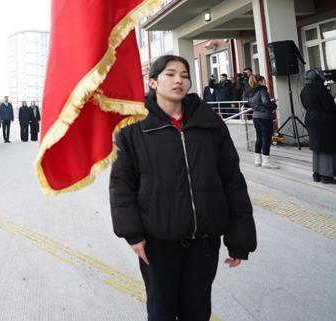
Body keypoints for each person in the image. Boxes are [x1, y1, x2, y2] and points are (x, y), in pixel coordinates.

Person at [110, 55, 256, 321]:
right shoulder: (132, 127)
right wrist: (132, 233)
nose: (179, 80)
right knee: (161, 311)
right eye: (170, 74)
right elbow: (122, 184)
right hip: (158, 242)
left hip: (204, 242)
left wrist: (239, 239)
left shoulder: (210, 123)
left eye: (185, 75)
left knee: (197, 311)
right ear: (153, 82)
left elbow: (232, 180)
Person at [300, 70, 336, 184]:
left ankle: (317, 173)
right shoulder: (320, 90)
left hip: (310, 119)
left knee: (316, 147)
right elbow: (330, 106)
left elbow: (305, 105)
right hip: (324, 120)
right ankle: (327, 175)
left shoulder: (304, 90)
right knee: (326, 146)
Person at [243, 75, 278, 169]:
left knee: (259, 137)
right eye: (264, 80)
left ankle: (257, 160)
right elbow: (266, 102)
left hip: (255, 116)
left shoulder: (250, 92)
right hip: (265, 117)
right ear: (259, 81)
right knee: (266, 138)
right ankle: (266, 162)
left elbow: (248, 103)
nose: (265, 82)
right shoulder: (262, 90)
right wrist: (274, 105)